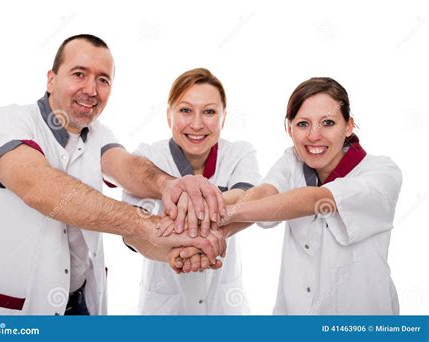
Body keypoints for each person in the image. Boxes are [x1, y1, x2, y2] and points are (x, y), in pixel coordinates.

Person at [0, 34, 227, 316]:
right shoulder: (7, 122)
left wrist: (170, 185)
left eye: (103, 80)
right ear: (51, 79)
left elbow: (128, 167)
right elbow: (39, 188)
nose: (91, 89)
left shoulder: (98, 134)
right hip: (8, 314)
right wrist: (153, 226)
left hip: (82, 307)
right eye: (79, 74)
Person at [170, 77, 403, 315]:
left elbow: (315, 200)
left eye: (328, 122)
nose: (314, 135)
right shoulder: (292, 161)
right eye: (303, 124)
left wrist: (219, 215)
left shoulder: (382, 173)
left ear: (348, 125)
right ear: (288, 128)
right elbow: (263, 194)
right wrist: (208, 237)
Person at [122, 68, 261, 314]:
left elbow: (249, 199)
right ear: (169, 116)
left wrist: (188, 201)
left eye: (209, 112)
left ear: (223, 118)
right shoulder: (146, 158)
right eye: (185, 110)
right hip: (163, 307)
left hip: (225, 307)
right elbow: (133, 233)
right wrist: (175, 254)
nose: (197, 124)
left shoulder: (240, 153)